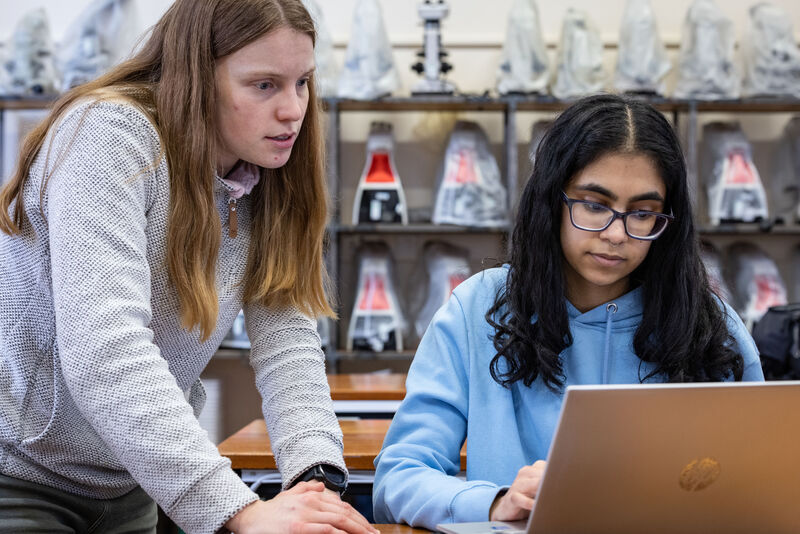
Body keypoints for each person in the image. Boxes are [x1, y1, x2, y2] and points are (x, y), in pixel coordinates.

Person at [0, 1, 377, 533]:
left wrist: (314, 482)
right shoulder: (109, 135)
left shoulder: (264, 170)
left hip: (130, 479)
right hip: (18, 473)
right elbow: (106, 351)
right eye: (264, 85)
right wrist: (242, 513)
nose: (293, 109)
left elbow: (289, 344)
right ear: (196, 77)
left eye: (302, 82)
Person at [372, 94, 765, 529]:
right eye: (594, 205)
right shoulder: (477, 309)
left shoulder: (713, 328)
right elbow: (398, 479)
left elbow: (757, 490)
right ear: (551, 201)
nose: (617, 234)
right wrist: (495, 502)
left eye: (642, 213)